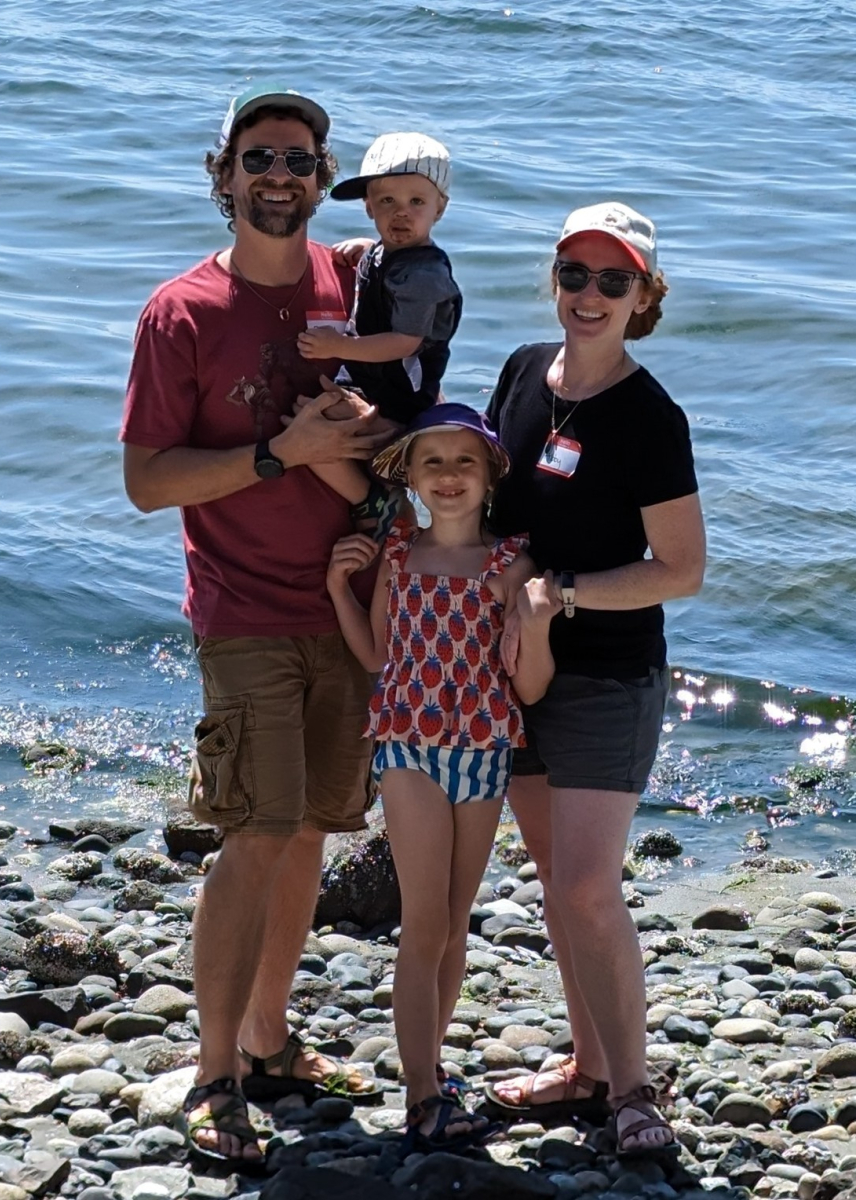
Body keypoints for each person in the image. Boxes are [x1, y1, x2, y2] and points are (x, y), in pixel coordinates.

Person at [120, 83, 392, 1172]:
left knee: (314, 828)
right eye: (259, 158)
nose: (279, 176)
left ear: (323, 181)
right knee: (255, 831)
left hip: (351, 609)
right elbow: (149, 481)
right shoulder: (181, 312)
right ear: (223, 174)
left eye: (298, 160)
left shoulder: (355, 286)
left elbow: (405, 415)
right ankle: (213, 1074)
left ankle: (270, 1042)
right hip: (241, 611)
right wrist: (281, 455)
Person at [482, 202, 706, 1163]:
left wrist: (559, 592)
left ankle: (633, 1089)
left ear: (643, 298)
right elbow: (488, 502)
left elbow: (680, 569)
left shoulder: (649, 416)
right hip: (510, 666)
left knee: (583, 886)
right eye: (574, 273)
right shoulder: (522, 370)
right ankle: (584, 1068)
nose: (589, 294)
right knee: (553, 880)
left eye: (613, 281)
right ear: (554, 279)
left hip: (606, 675)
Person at [325, 403, 555, 1152]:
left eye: (464, 462)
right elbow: (375, 657)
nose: (449, 475)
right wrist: (338, 590)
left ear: (490, 475)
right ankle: (421, 1092)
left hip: (483, 748)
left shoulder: (511, 565)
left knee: (455, 921)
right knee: (424, 920)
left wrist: (536, 622)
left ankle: (432, 1067)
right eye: (433, 462)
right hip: (407, 747)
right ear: (410, 476)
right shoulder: (398, 555)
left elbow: (529, 687)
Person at [296, 133, 462, 530]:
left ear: (439, 209)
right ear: (368, 206)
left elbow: (404, 342)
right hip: (373, 380)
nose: (401, 213)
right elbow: (387, 258)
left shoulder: (423, 276)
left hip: (401, 394)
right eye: (387, 201)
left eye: (416, 202)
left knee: (311, 421)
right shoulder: (386, 253)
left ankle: (372, 501)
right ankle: (378, 482)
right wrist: (368, 248)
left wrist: (338, 346)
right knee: (304, 414)